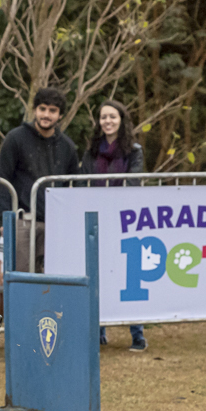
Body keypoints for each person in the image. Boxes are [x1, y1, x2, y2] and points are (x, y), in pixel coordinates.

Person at [80, 99, 147, 352]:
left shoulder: (134, 150)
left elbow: (134, 183)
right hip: (97, 220)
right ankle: (98, 329)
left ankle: (137, 333)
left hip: (126, 221)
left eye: (113, 116)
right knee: (97, 272)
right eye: (103, 117)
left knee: (129, 275)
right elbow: (84, 182)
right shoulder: (91, 151)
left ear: (122, 120)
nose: (108, 121)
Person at [0, 87, 80, 273]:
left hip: (55, 225)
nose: (46, 115)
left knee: (51, 279)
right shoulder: (15, 139)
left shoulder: (68, 147)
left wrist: (69, 222)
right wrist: (4, 220)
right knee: (20, 278)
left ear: (60, 115)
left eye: (52, 110)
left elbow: (72, 188)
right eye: (42, 109)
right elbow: (2, 179)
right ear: (35, 110)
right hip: (21, 222)